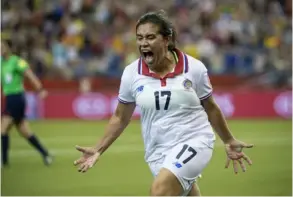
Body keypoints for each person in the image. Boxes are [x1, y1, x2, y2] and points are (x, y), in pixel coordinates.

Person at [73, 10, 254, 196]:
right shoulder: (131, 73)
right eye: (140, 38)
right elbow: (120, 117)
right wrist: (98, 149)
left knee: (159, 190)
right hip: (157, 151)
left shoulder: (194, 68)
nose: (143, 43)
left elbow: (211, 107)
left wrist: (229, 140)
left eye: (150, 37)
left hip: (195, 140)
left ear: (166, 39)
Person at [1, 41, 53, 167]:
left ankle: (4, 162)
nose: (1, 50)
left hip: (17, 98)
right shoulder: (2, 64)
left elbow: (30, 75)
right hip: (9, 98)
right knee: (24, 131)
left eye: (2, 47)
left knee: (2, 129)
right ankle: (45, 154)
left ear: (8, 48)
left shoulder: (17, 61)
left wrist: (40, 89)